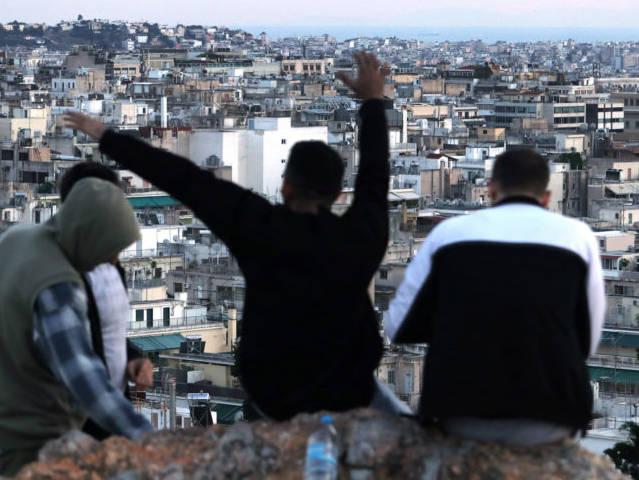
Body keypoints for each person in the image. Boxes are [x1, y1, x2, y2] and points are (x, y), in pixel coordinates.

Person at [65, 51, 409, 421]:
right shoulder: (361, 236)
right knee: (409, 429)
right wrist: (373, 102)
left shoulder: (259, 227)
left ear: (285, 187)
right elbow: (375, 173)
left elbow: (184, 179)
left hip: (277, 396)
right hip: (350, 390)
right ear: (339, 194)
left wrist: (106, 137)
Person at [384, 148, 606, 445]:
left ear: (490, 190)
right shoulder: (578, 237)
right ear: (547, 198)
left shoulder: (448, 235)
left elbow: (397, 326)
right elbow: (587, 341)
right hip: (551, 414)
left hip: (460, 412)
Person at [0, 178, 153, 479]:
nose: (113, 259)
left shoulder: (15, 240)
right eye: (111, 247)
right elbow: (85, 382)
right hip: (26, 442)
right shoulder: (57, 285)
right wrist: (148, 439)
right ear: (89, 236)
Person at [59, 162, 155, 440]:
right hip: (81, 427)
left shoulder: (113, 266)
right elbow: (74, 360)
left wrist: (133, 361)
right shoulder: (63, 274)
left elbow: (107, 333)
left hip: (113, 415)